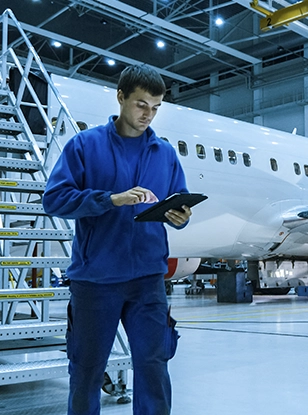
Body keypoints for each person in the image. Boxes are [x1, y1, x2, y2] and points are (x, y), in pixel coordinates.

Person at [43, 64, 191, 415]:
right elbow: (55, 199)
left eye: (155, 107)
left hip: (148, 280)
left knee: (154, 368)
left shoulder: (165, 154)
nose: (148, 115)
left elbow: (179, 199)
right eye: (141, 104)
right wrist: (110, 199)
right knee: (86, 370)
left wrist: (181, 217)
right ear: (121, 97)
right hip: (96, 280)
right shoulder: (84, 145)